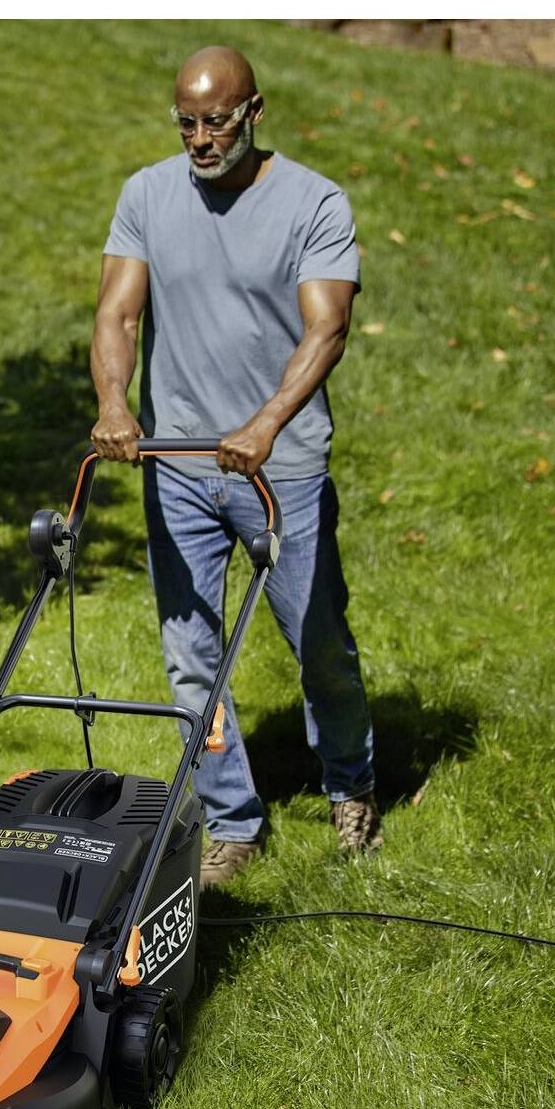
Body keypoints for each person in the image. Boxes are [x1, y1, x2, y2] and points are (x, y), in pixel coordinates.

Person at [89, 44, 379, 886]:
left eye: (217, 121)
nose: (201, 138)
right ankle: (232, 821)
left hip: (277, 468)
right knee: (189, 658)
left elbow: (326, 327)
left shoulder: (313, 202)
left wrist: (263, 424)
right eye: (186, 122)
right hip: (177, 463)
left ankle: (350, 784)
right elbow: (116, 314)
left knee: (317, 642)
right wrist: (115, 405)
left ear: (255, 112)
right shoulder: (146, 195)